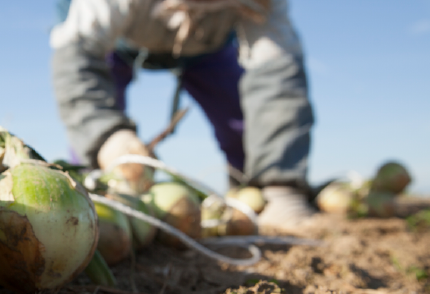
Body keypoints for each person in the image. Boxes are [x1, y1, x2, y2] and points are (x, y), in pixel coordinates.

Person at [50, 0, 315, 229]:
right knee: (97, 146)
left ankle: (253, 198)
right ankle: (94, 204)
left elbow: (277, 77)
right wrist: (105, 134)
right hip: (116, 43)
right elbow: (77, 60)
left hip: (208, 50)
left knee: (242, 127)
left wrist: (282, 187)